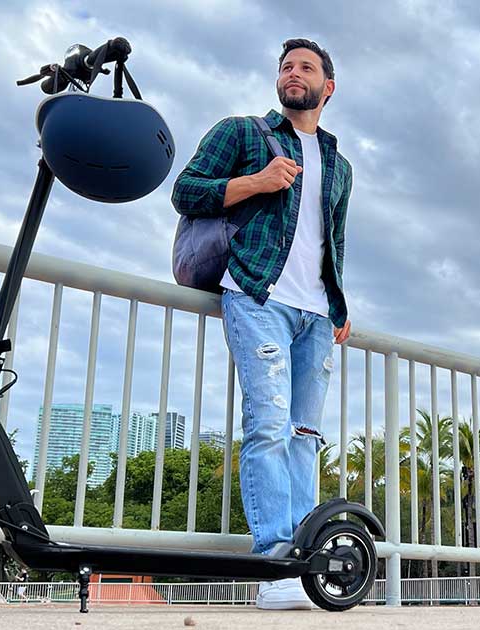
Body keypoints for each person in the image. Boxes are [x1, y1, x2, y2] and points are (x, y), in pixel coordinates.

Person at [171, 37, 352, 610]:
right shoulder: (244, 133)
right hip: (257, 295)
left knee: (305, 440)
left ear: (328, 87)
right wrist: (257, 181)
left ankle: (308, 568)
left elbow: (333, 242)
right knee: (269, 427)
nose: (293, 74)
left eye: (306, 67)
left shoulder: (340, 165)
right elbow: (185, 192)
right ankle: (275, 565)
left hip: (317, 314)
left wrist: (339, 305)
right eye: (286, 67)